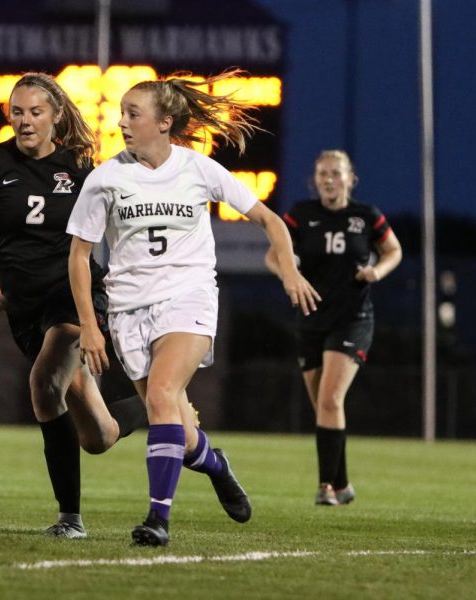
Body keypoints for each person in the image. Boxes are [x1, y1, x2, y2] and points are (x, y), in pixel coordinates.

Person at [67, 69, 320, 546]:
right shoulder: (105, 179)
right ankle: (216, 466)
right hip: (127, 310)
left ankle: (157, 519)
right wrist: (89, 324)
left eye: (132, 114)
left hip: (190, 299)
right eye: (121, 113)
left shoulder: (198, 169)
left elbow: (269, 219)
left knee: (162, 393)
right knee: (178, 434)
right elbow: (79, 257)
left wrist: (289, 270)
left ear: (164, 122)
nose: (121, 121)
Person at [0, 72, 148, 539]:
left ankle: (70, 520)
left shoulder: (81, 165)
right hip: (24, 307)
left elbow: (113, 230)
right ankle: (157, 406)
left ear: (56, 114)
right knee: (99, 436)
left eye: (35, 111)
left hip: (73, 297)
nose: (25, 120)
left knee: (41, 384)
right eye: (17, 112)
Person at [265, 149, 402, 506]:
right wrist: (289, 275)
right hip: (311, 320)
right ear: (315, 180)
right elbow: (271, 255)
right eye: (323, 173)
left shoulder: (366, 216)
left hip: (353, 319)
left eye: (336, 173)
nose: (329, 179)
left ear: (350, 179)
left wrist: (377, 271)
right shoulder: (300, 214)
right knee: (324, 408)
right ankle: (342, 483)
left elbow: (394, 251)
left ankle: (327, 487)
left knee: (330, 400)